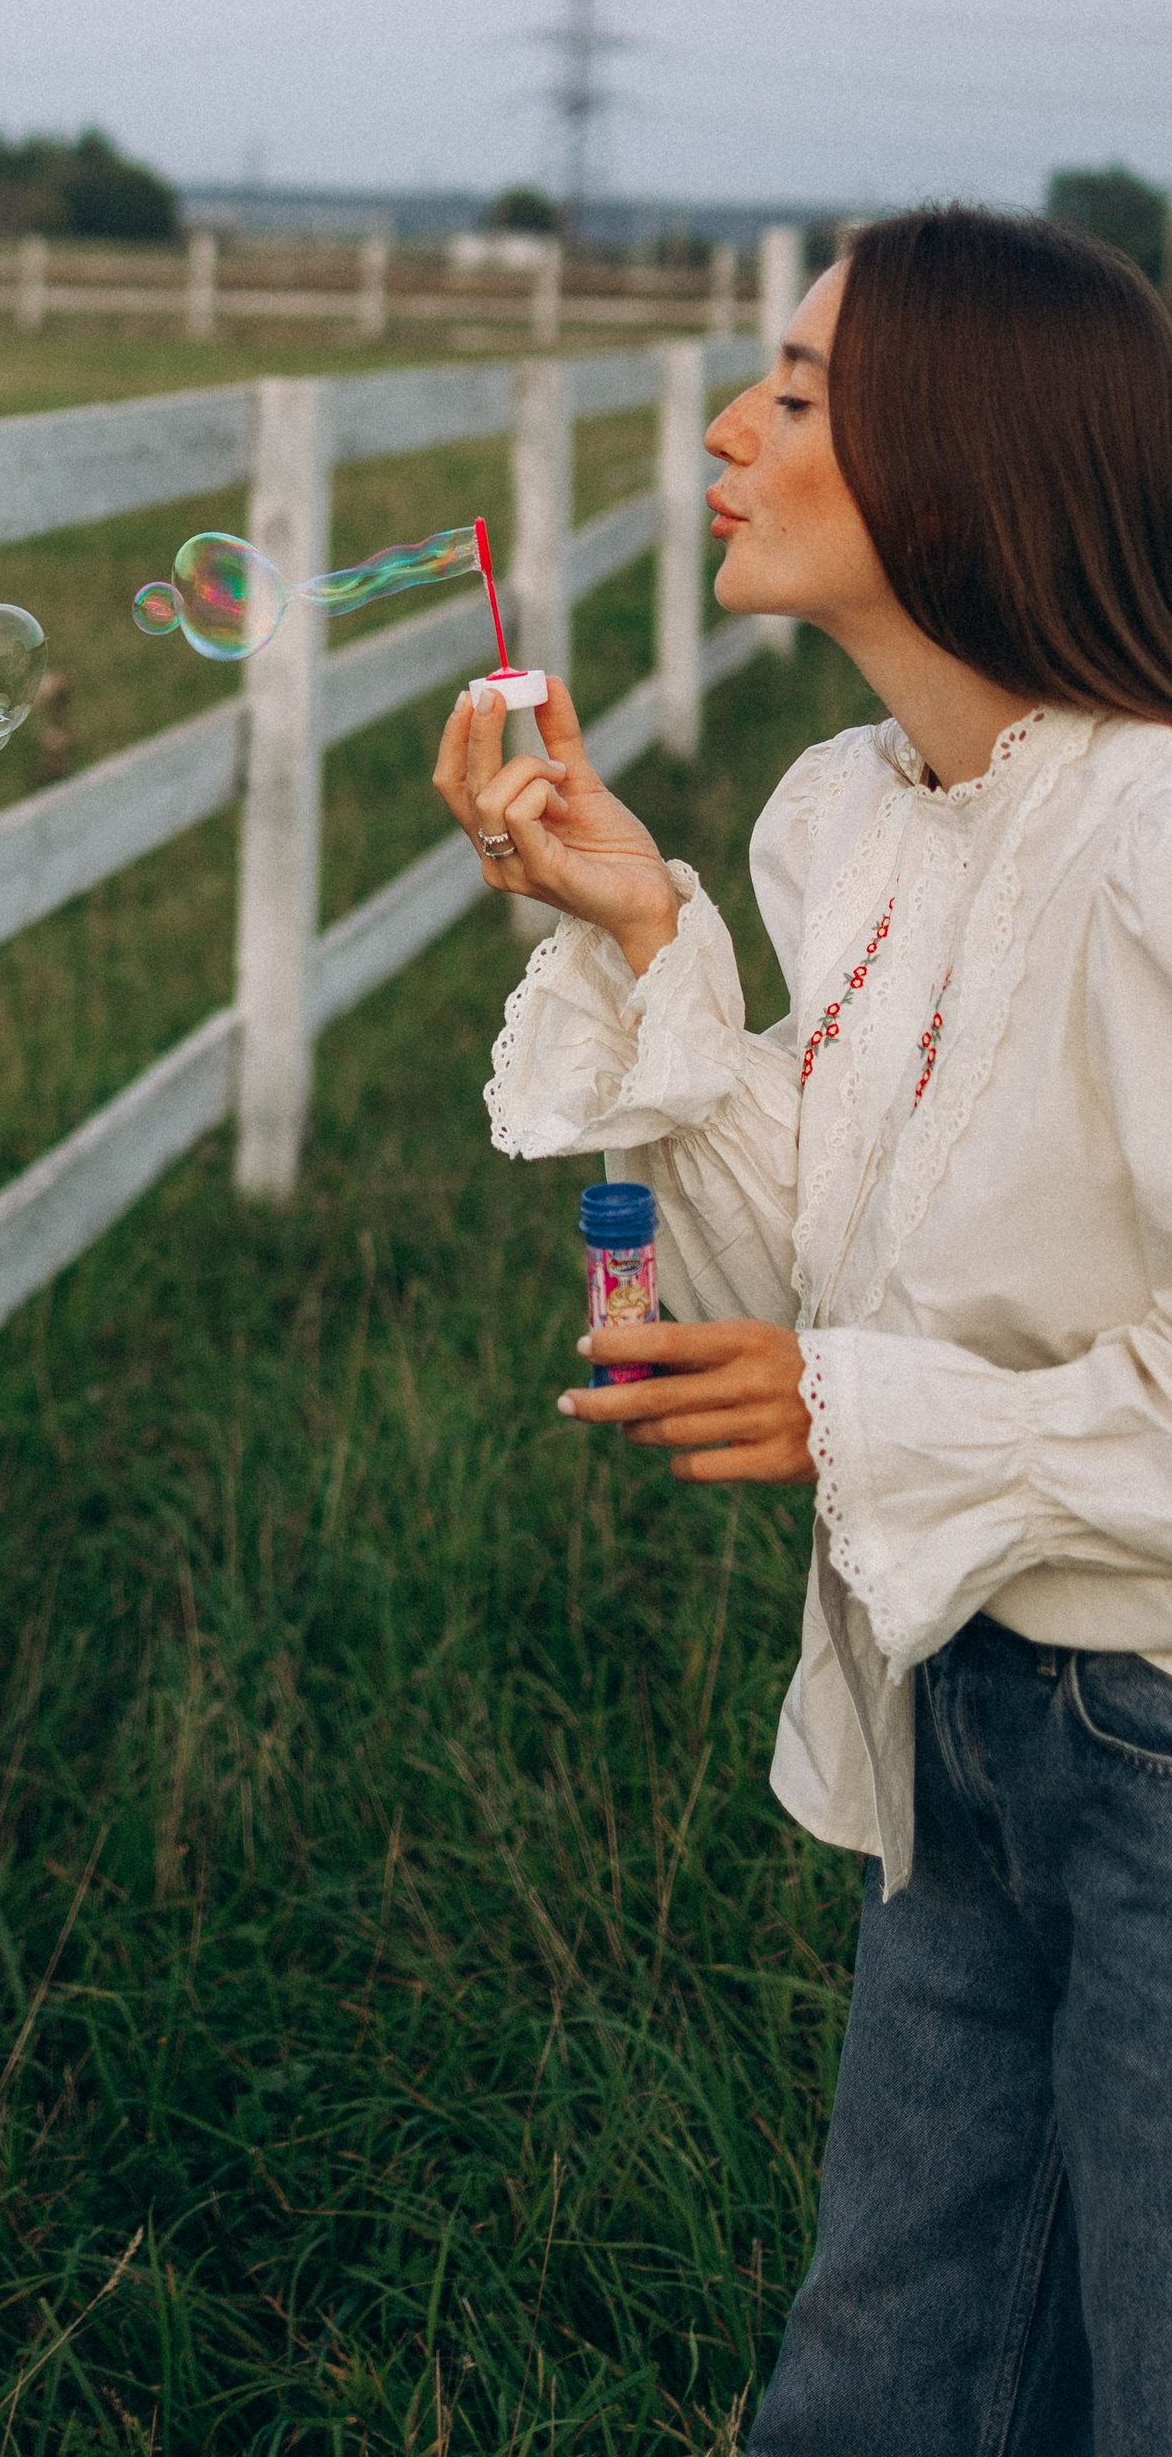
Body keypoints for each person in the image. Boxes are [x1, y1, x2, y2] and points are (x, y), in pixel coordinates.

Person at [431, 205, 1172, 2454]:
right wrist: (644, 925)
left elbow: (846, 1369)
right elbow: (807, 1263)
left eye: (795, 390)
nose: (732, 431)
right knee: (886, 2373)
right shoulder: (840, 816)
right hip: (958, 1701)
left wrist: (853, 1412)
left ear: (956, 461)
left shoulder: (1145, 848)